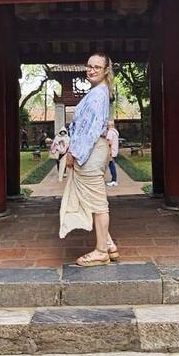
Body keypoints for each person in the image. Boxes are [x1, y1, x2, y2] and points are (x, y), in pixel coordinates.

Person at [59, 53, 119, 265]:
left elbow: (89, 130)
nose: (91, 70)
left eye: (97, 67)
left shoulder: (98, 94)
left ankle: (101, 251)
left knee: (98, 202)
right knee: (92, 199)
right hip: (94, 150)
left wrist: (73, 153)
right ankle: (109, 244)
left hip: (90, 151)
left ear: (105, 71)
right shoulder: (99, 92)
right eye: (89, 66)